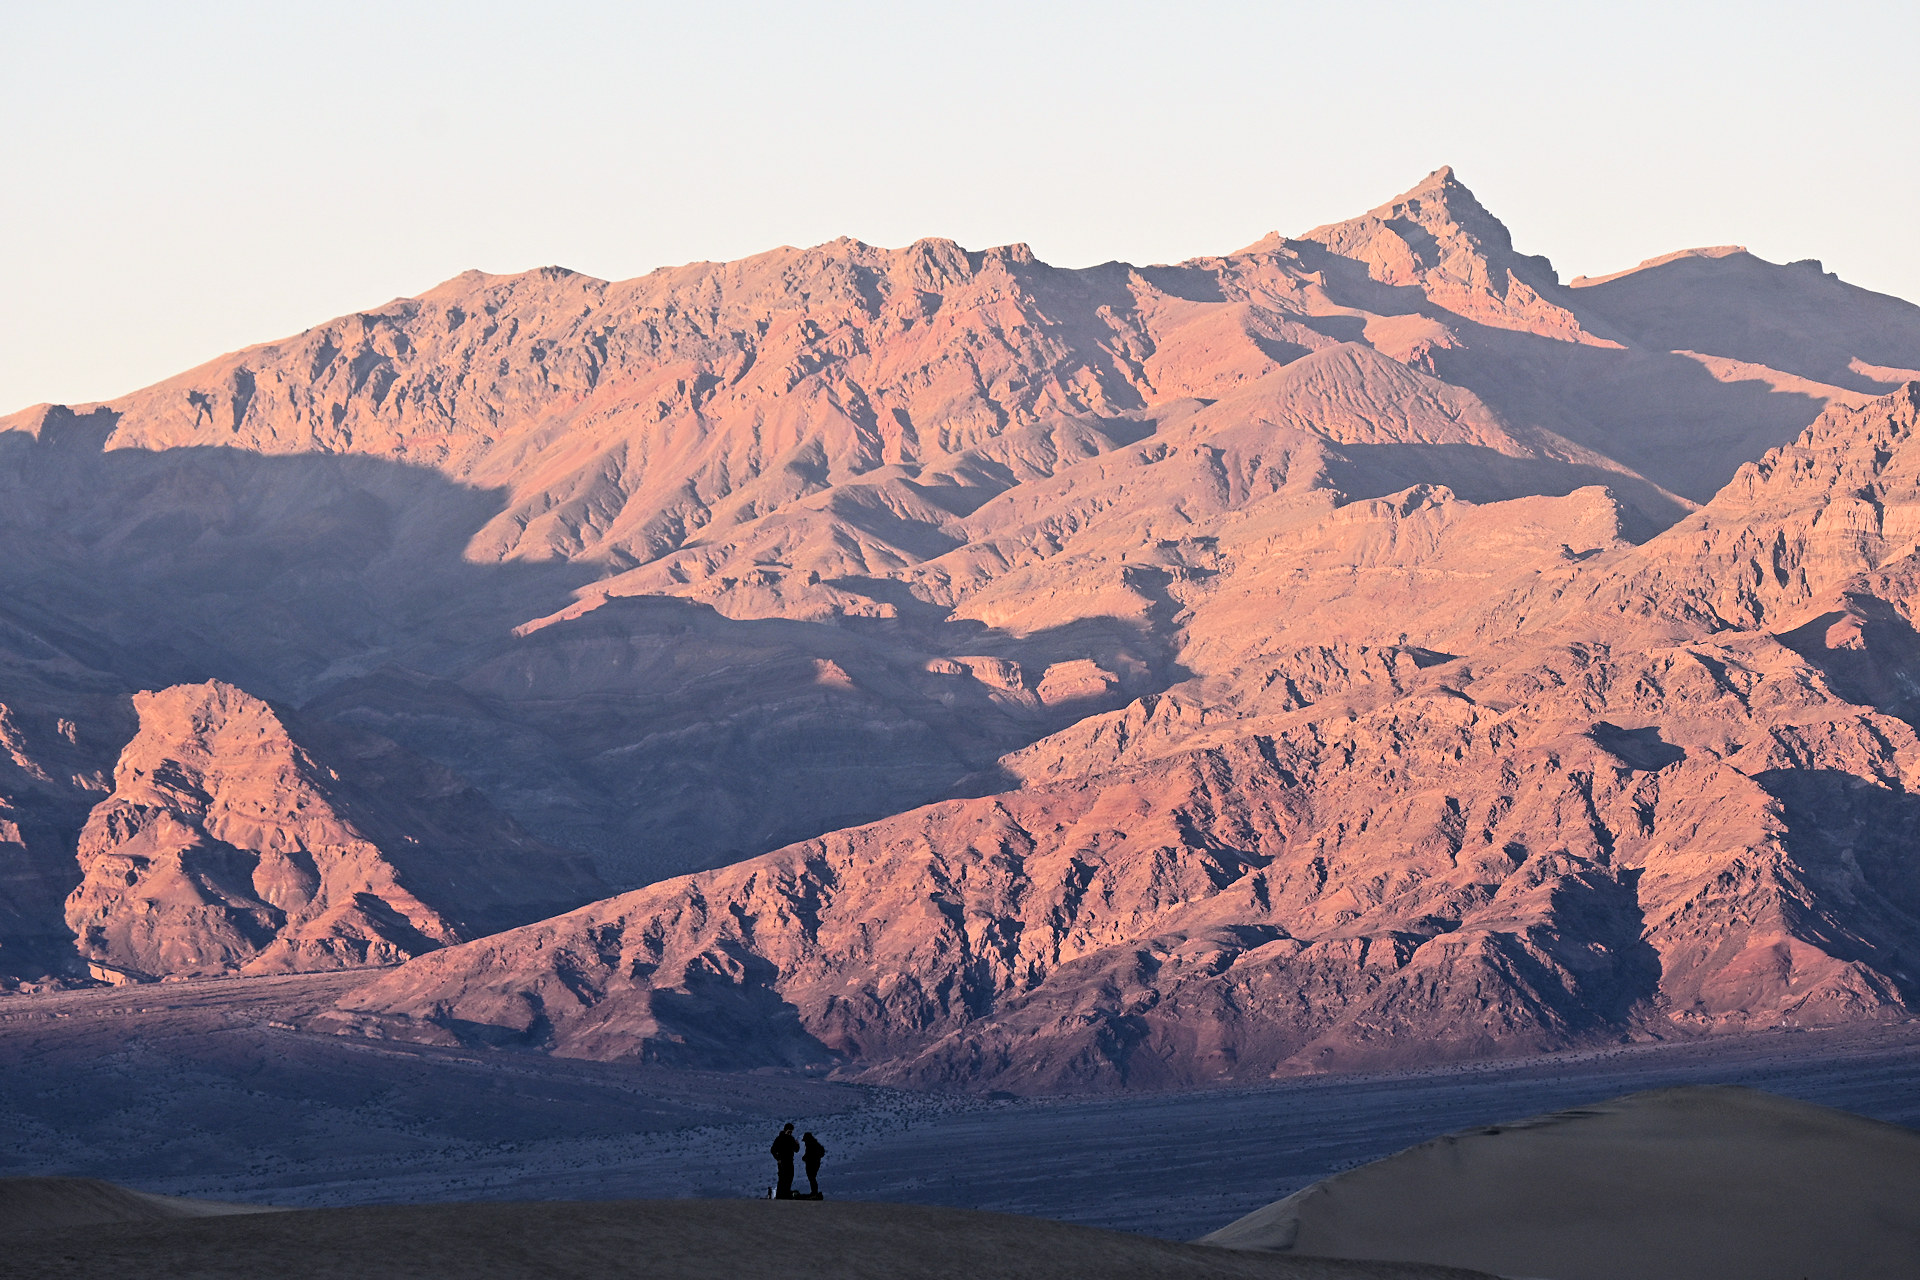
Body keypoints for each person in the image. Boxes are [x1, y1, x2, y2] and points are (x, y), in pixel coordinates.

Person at [770, 1122, 800, 1199]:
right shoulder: (779, 1139)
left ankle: (785, 1194)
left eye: (791, 1132)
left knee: (790, 1177)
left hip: (789, 1161)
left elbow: (796, 1150)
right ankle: (780, 1195)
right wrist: (778, 1158)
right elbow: (773, 1150)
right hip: (782, 1162)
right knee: (782, 1178)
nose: (790, 1133)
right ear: (785, 1130)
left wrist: (797, 1144)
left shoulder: (791, 1139)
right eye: (789, 1131)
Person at [801, 1130, 826, 1197]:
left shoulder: (810, 1145)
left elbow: (810, 1154)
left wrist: (805, 1158)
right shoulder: (814, 1144)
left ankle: (814, 1192)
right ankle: (814, 1192)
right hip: (815, 1163)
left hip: (812, 1164)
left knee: (811, 1177)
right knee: (812, 1178)